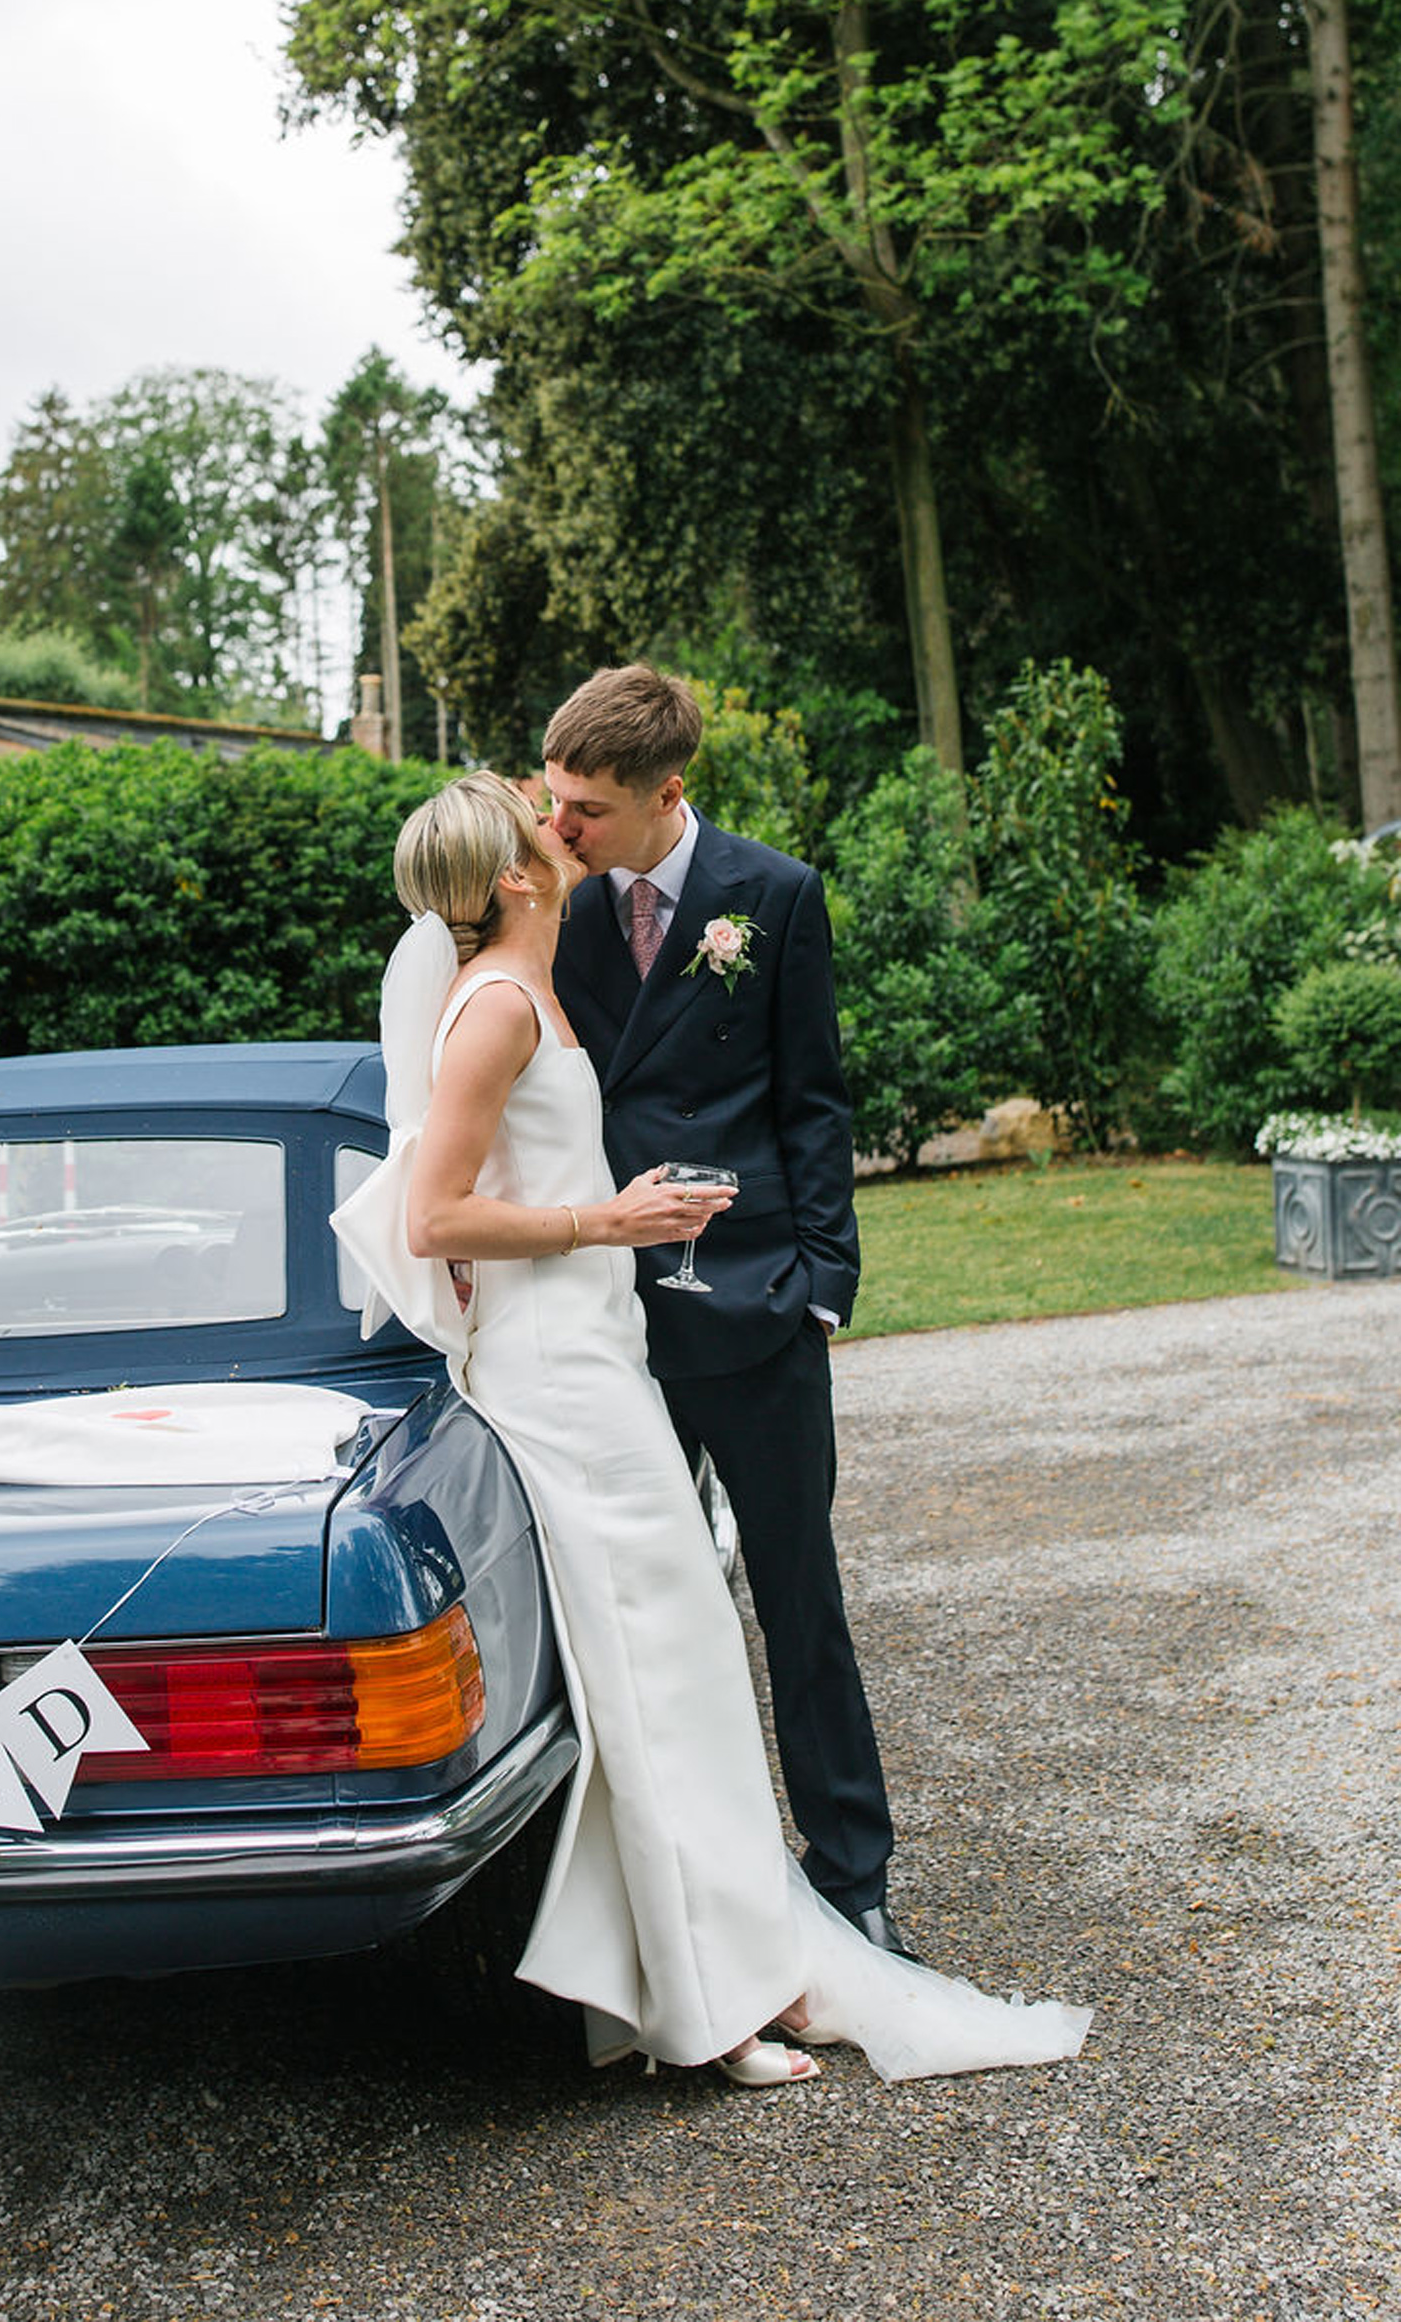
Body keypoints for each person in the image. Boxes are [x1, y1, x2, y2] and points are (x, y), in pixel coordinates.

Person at [333, 768, 1090, 2083]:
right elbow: (430, 1217)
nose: (559, 826)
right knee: (653, 1676)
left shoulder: (526, 982)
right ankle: (713, 2008)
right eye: (539, 822)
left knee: (678, 1666)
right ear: (514, 876)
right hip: (556, 1382)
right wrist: (603, 1221)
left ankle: (751, 1967)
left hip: (598, 1353)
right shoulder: (495, 1009)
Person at [543, 666, 900, 1953]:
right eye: (552, 795)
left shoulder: (774, 895)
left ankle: (855, 1878)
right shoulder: (543, 903)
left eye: (584, 807)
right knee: (643, 1611)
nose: (559, 825)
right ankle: (677, 1897)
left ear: (665, 796)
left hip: (755, 1305)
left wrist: (823, 1289)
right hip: (605, 1317)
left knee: (799, 1599)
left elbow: (813, 1099)